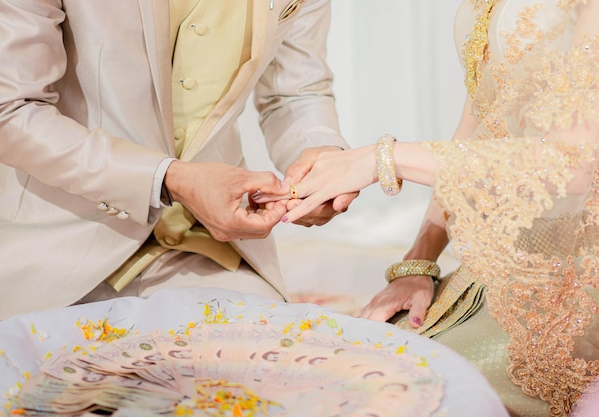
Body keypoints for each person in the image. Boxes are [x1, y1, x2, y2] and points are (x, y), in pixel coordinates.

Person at [256, 0, 599, 415]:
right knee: (329, 370)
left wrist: (382, 159)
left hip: (572, 287)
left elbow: (576, 164)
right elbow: (478, 127)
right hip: (494, 266)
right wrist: (418, 265)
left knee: (396, 392)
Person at [0, 0, 357, 324]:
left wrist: (321, 158)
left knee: (264, 384)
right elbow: (6, 112)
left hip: (212, 252)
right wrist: (168, 179)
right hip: (53, 252)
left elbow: (294, 94)